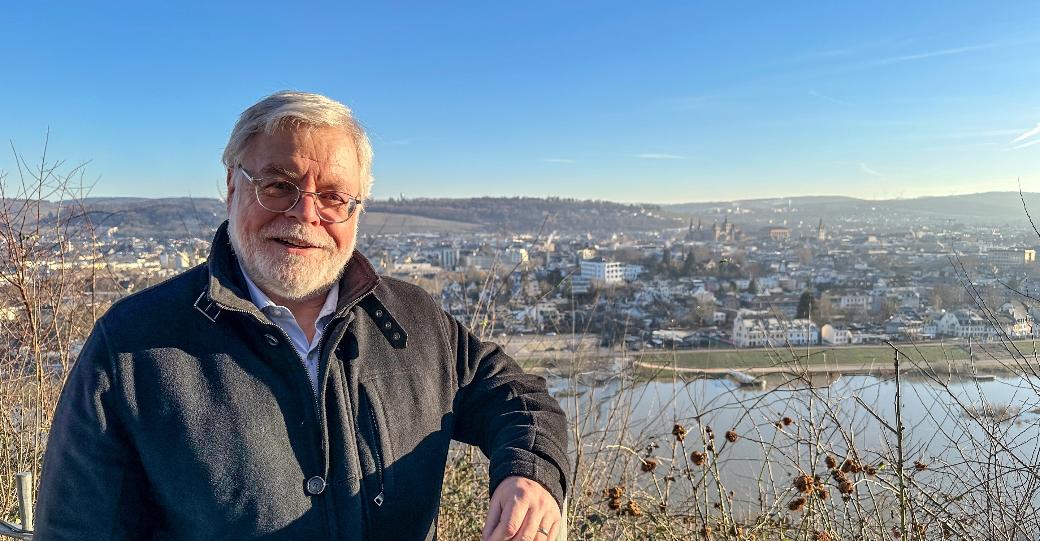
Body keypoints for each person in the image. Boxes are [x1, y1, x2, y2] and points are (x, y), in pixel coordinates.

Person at [34, 91, 569, 540]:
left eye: (334, 196)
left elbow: (516, 397)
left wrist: (531, 476)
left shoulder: (412, 320)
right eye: (278, 185)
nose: (305, 214)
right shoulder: (133, 347)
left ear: (357, 209)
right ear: (231, 186)